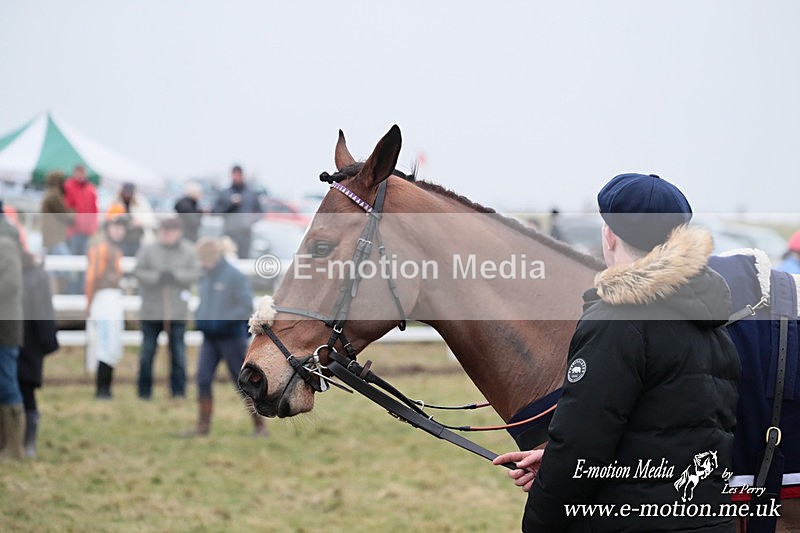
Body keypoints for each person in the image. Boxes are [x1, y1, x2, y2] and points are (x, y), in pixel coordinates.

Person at [494, 174, 741, 532]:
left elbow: (583, 447)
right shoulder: (708, 313)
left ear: (609, 235)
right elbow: (673, 434)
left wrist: (539, 522)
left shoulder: (617, 319)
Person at [184, 237, 267, 437]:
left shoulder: (234, 276)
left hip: (231, 338)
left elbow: (245, 306)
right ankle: (203, 426)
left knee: (242, 383)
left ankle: (259, 426)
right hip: (210, 339)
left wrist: (221, 321)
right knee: (203, 379)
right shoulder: (206, 276)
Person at [134, 217, 201, 399]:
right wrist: (156, 278)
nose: (167, 235)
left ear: (178, 232)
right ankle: (144, 392)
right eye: (164, 231)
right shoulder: (149, 250)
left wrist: (176, 276)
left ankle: (178, 392)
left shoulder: (188, 251)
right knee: (147, 355)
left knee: (178, 355)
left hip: (176, 312)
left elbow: (196, 273)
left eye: (170, 231)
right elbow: (138, 271)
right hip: (151, 311)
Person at [17, 251, 59, 457]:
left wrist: (47, 341)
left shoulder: (35, 277)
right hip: (24, 341)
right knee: (23, 390)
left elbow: (43, 313)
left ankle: (27, 441)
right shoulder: (34, 276)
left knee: (24, 389)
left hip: (27, 342)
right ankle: (25, 442)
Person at [85, 218, 127, 399]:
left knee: (112, 344)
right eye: (116, 227)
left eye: (121, 228)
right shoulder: (100, 249)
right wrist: (89, 302)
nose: (119, 231)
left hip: (113, 298)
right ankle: (101, 389)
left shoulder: (115, 250)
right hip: (103, 298)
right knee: (104, 343)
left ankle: (107, 388)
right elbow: (92, 277)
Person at [0, 203, 25, 460]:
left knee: (6, 381)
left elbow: (11, 283)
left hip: (5, 325)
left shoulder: (5, 244)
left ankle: (13, 446)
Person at [212, 165, 262, 258]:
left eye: (238, 175)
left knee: (244, 260)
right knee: (227, 259)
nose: (236, 177)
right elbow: (215, 211)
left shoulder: (251, 194)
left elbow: (260, 212)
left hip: (245, 234)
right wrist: (230, 205)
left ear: (242, 175)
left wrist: (249, 221)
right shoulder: (225, 193)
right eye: (234, 175)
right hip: (229, 233)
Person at [106, 182, 157, 256]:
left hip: (135, 238)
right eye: (125, 193)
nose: (127, 195)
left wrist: (139, 222)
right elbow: (109, 217)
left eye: (129, 193)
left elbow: (150, 220)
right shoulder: (116, 202)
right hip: (120, 239)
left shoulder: (141, 203)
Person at [63, 164, 99, 256]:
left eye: (82, 172)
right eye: (78, 172)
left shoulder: (90, 189)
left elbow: (94, 209)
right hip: (73, 230)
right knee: (72, 257)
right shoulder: (68, 186)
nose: (80, 175)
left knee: (84, 258)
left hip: (86, 231)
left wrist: (93, 226)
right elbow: (65, 207)